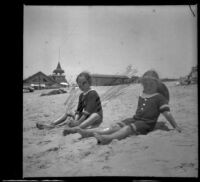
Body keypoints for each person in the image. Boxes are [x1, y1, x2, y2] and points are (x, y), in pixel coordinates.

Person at [66, 70, 181, 144]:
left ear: (157, 85)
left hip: (146, 124)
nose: (147, 86)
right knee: (116, 126)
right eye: (145, 83)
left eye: (151, 84)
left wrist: (175, 126)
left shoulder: (159, 97)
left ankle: (109, 139)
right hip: (135, 119)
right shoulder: (143, 95)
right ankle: (88, 133)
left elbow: (167, 113)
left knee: (127, 129)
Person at [37, 71, 103, 130]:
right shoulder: (81, 95)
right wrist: (76, 119)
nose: (81, 85)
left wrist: (78, 122)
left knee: (95, 115)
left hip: (95, 118)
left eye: (84, 83)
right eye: (79, 83)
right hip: (86, 117)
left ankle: (79, 127)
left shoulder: (92, 93)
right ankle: (52, 124)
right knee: (68, 113)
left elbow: (87, 112)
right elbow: (79, 111)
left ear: (90, 83)